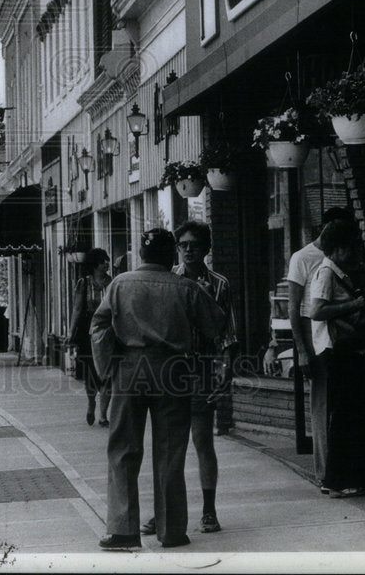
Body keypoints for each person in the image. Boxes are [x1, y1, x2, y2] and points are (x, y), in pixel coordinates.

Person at [90, 228, 226, 551]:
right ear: (171, 256)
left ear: (140, 254)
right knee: (170, 450)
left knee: (123, 448)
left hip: (130, 367)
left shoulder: (119, 284)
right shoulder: (186, 287)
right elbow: (215, 326)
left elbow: (98, 325)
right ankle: (172, 529)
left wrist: (106, 367)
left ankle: (123, 529)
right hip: (173, 370)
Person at [140, 220, 237, 538]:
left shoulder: (219, 284)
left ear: (207, 248)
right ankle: (162, 511)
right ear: (176, 249)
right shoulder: (165, 282)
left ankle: (209, 511)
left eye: (196, 244)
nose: (189, 250)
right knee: (169, 445)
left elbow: (228, 334)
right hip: (169, 371)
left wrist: (226, 372)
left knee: (202, 441)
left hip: (203, 370)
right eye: (183, 245)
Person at [309, 218, 365, 497]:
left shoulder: (338, 272)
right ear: (339, 248)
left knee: (364, 412)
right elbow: (316, 310)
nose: (355, 252)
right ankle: (340, 479)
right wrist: (356, 304)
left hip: (348, 350)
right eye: (351, 246)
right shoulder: (326, 273)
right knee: (347, 416)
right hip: (337, 350)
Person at [287, 205, 354, 486]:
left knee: (344, 406)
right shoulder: (302, 258)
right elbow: (294, 306)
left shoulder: (345, 255)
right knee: (322, 405)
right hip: (316, 336)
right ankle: (325, 473)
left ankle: (345, 470)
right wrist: (301, 350)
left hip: (345, 339)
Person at [68, 247, 112, 426]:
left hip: (109, 331)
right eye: (103, 261)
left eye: (107, 260)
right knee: (91, 374)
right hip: (88, 332)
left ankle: (103, 415)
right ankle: (91, 402)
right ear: (95, 265)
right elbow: (77, 309)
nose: (106, 264)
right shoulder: (84, 283)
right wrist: (71, 333)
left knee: (108, 373)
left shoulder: (113, 283)